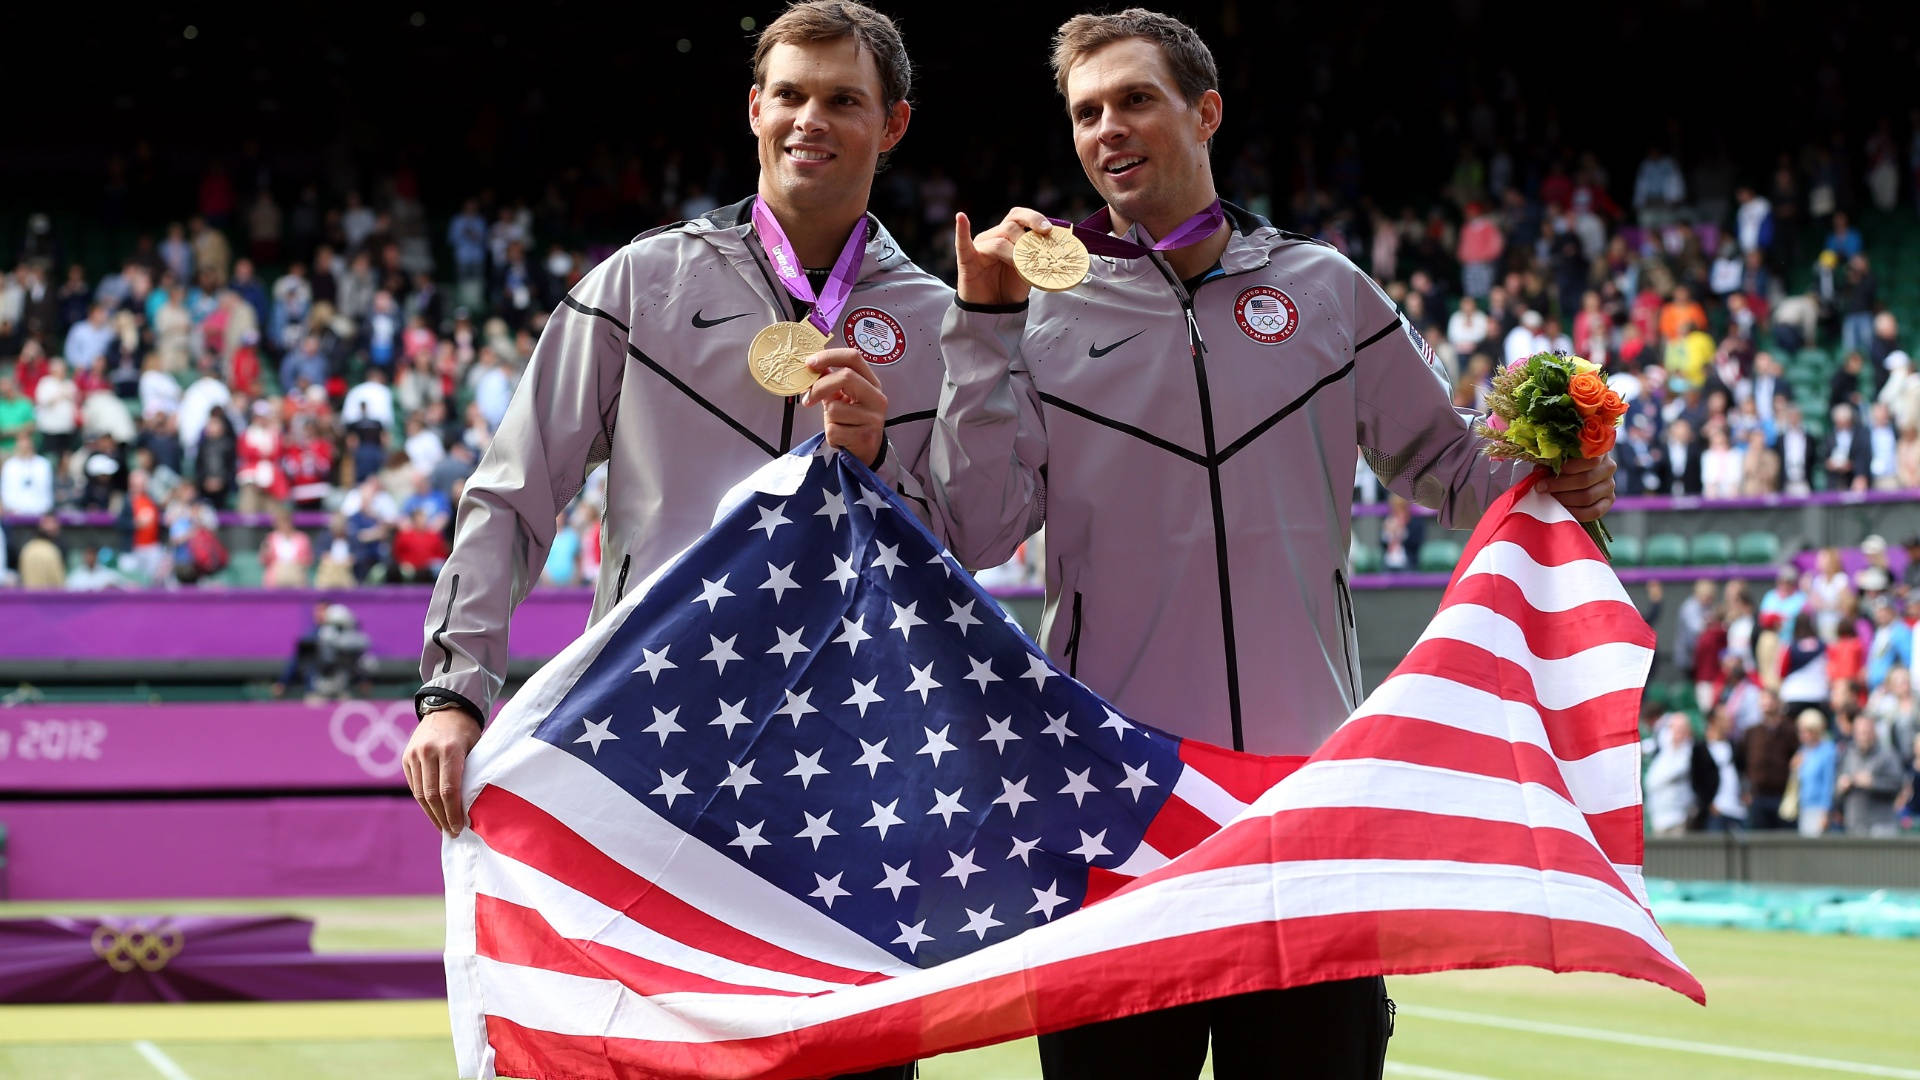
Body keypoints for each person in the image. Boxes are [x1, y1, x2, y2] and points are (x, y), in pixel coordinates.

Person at [928, 11, 1615, 1078]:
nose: (1109, 128)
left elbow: (1458, 475)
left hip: (1304, 805)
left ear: (1205, 112)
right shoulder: (1039, 315)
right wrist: (981, 326)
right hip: (1120, 816)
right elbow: (973, 529)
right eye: (1086, 112)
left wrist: (1561, 476)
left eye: (1135, 100)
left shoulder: (1328, 289)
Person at [1836, 713, 1904, 836]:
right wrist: (1841, 786)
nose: (1864, 737)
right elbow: (1835, 792)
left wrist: (1873, 782)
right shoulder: (1847, 755)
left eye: (1867, 732)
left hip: (1882, 826)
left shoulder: (1887, 755)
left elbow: (1898, 785)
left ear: (1874, 732)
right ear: (1854, 733)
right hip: (1854, 825)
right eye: (1860, 732)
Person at [1791, 709, 1836, 836]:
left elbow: (1829, 782)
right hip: (1803, 806)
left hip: (1819, 809)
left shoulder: (1827, 751)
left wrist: (1825, 812)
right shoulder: (1803, 751)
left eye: (1808, 731)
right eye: (1801, 731)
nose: (1804, 735)